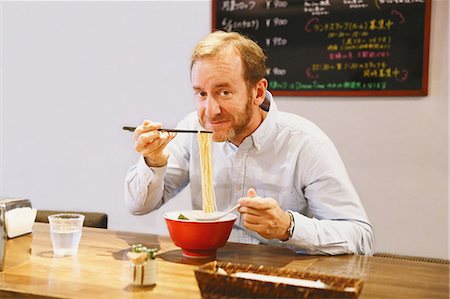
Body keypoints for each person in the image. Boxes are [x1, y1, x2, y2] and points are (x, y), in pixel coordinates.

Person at [125, 31, 373, 255]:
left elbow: (360, 237)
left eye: (224, 92)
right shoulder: (195, 129)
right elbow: (139, 206)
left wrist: (288, 227)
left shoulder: (305, 143)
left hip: (280, 281)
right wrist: (153, 161)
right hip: (208, 269)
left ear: (258, 92)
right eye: (201, 94)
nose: (210, 111)